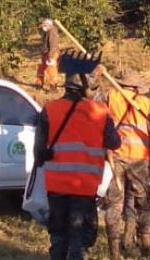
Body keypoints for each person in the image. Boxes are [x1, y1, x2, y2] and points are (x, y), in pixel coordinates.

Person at [34, 71, 121, 260]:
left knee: (58, 236)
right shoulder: (100, 112)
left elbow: (39, 152)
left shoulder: (49, 110)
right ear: (85, 89)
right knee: (79, 239)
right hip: (85, 186)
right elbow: (114, 143)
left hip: (56, 186)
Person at [105, 69, 150, 260]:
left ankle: (114, 253)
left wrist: (100, 74)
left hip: (115, 158)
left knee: (114, 205)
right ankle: (145, 248)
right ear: (135, 86)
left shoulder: (109, 96)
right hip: (138, 159)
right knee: (144, 203)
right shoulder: (145, 103)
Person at [36, 19, 60, 91]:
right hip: (46, 54)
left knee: (51, 70)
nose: (43, 27)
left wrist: (50, 56)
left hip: (51, 54)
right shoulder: (47, 32)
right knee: (41, 69)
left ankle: (53, 87)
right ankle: (39, 84)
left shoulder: (52, 32)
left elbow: (53, 45)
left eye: (45, 25)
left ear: (49, 25)